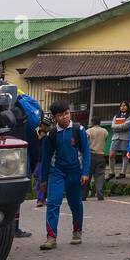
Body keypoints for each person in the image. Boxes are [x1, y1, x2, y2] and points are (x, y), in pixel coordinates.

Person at [38, 101, 90, 250]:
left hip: (75, 171)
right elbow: (46, 159)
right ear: (55, 118)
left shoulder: (78, 130)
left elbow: (86, 152)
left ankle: (77, 230)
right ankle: (51, 237)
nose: (65, 117)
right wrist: (43, 180)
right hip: (57, 172)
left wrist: (85, 172)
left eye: (67, 113)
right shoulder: (51, 135)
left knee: (75, 203)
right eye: (61, 115)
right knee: (53, 202)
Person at [86, 117, 109, 201]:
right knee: (99, 176)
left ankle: (83, 195)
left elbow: (85, 139)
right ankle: (100, 194)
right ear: (100, 122)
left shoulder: (89, 131)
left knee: (87, 175)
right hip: (101, 155)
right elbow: (106, 138)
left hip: (91, 155)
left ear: (92, 122)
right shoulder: (105, 131)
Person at [110, 102, 130, 177]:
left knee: (124, 155)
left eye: (124, 105)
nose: (123, 107)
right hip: (115, 137)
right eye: (121, 106)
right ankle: (112, 172)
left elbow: (126, 126)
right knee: (111, 154)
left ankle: (123, 173)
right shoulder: (116, 116)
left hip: (125, 137)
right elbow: (112, 126)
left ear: (127, 107)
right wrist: (120, 127)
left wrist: (117, 127)